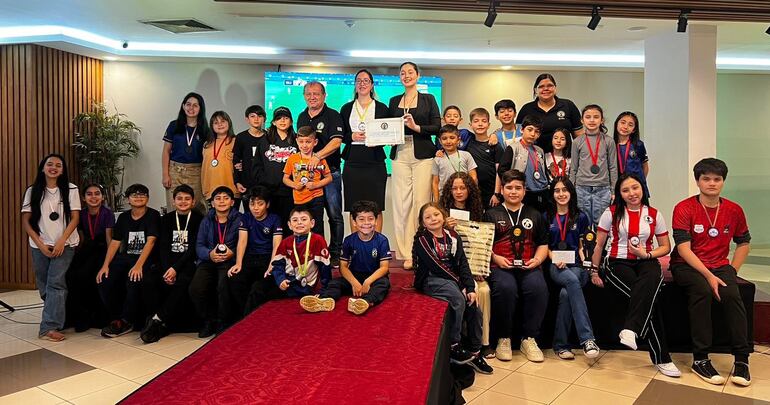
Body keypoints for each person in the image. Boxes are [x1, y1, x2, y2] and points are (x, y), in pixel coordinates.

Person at [670, 158, 752, 386]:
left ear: (723, 182)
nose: (712, 183)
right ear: (698, 181)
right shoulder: (684, 207)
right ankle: (700, 358)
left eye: (717, 179)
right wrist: (708, 276)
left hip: (720, 265)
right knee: (702, 291)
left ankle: (742, 360)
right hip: (687, 265)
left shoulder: (734, 210)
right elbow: (684, 249)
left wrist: (731, 271)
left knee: (733, 295)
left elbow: (744, 242)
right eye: (706, 179)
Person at [590, 173, 681, 377]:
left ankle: (630, 329)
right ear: (619, 194)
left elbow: (665, 247)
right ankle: (663, 359)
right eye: (625, 190)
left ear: (642, 189)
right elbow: (599, 244)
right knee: (648, 300)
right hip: (617, 262)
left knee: (649, 285)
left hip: (646, 260)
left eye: (635, 188)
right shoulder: (611, 213)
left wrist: (647, 254)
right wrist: (594, 270)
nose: (632, 193)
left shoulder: (654, 214)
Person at [412, 203, 492, 374]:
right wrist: (459, 284)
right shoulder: (422, 240)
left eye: (436, 215)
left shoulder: (454, 236)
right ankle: (454, 346)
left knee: (474, 305)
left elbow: (463, 263)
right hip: (431, 279)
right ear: (423, 223)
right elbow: (436, 266)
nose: (433, 219)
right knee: (457, 298)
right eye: (428, 217)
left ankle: (475, 351)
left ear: (443, 216)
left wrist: (469, 287)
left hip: (453, 279)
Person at [483, 170, 549, 363]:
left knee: (538, 288)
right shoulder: (491, 214)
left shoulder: (534, 214)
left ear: (524, 190)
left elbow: (543, 244)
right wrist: (495, 258)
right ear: (501, 190)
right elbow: (485, 244)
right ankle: (503, 338)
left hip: (529, 265)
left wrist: (537, 260)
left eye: (518, 188)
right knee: (506, 288)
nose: (513, 192)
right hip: (501, 266)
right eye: (509, 188)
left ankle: (529, 338)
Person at [21, 154, 81, 341]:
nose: (54, 167)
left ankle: (49, 327)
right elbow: (25, 221)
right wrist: (40, 243)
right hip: (39, 245)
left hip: (65, 244)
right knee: (44, 286)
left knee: (56, 282)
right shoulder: (32, 191)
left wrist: (62, 241)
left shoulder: (71, 189)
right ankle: (57, 316)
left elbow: (75, 218)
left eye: (58, 165)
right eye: (50, 164)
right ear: (42, 168)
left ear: (63, 170)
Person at [388, 61, 441, 269]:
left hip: (423, 155)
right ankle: (405, 252)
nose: (406, 75)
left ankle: (422, 250)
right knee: (401, 205)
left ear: (418, 75)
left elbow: (437, 127)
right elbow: (387, 127)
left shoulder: (429, 99)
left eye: (410, 72)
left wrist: (415, 126)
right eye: (403, 73)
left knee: (420, 202)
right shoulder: (393, 101)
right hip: (399, 153)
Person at [300, 200, 391, 315]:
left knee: (383, 285)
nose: (366, 223)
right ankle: (324, 300)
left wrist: (368, 282)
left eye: (370, 219)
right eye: (361, 219)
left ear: (376, 221)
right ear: (354, 222)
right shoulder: (349, 240)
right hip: (355, 275)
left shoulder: (382, 240)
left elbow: (384, 268)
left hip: (374, 277)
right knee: (335, 283)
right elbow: (343, 267)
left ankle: (365, 302)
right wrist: (354, 282)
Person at [139, 184, 203, 344]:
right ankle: (158, 322)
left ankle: (157, 318)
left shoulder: (199, 219)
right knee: (149, 280)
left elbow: (194, 248)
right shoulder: (166, 219)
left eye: (187, 199)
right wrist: (168, 268)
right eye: (179, 198)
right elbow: (163, 246)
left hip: (188, 262)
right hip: (167, 263)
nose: (183, 202)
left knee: (183, 281)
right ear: (173, 201)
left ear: (193, 201)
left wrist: (175, 269)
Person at [544, 177, 599, 360]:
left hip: (576, 265)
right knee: (571, 282)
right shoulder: (546, 216)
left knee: (567, 293)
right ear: (552, 194)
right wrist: (555, 259)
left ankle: (560, 345)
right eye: (557, 191)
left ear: (571, 193)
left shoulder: (581, 216)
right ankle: (588, 339)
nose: (561, 194)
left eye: (565, 190)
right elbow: (546, 247)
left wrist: (588, 266)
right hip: (555, 265)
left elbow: (584, 246)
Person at [96, 184, 160, 338]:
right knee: (104, 279)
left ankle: (127, 321)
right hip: (125, 257)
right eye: (134, 195)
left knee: (133, 279)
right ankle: (115, 318)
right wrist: (105, 266)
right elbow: (115, 242)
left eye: (142, 194)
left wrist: (139, 265)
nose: (138, 197)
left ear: (148, 198)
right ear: (128, 199)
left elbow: (151, 241)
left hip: (146, 258)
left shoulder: (153, 215)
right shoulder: (124, 217)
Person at [297, 81, 345, 266]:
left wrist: (317, 156)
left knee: (334, 214)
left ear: (324, 96)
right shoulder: (301, 117)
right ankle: (318, 251)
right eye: (308, 94)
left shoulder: (333, 115)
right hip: (308, 178)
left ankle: (335, 253)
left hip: (330, 174)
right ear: (304, 96)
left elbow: (336, 142)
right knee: (314, 217)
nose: (312, 97)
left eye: (316, 93)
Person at [339, 69, 390, 233]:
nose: (362, 83)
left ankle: (378, 245)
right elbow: (341, 134)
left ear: (372, 85)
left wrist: (377, 139)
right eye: (359, 80)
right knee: (353, 207)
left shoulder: (382, 108)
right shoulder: (346, 108)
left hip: (374, 163)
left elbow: (388, 134)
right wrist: (351, 135)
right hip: (352, 162)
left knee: (376, 206)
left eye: (366, 80)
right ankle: (354, 247)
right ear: (355, 85)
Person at [189, 186, 242, 338]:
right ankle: (209, 320)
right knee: (196, 288)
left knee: (222, 286)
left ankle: (223, 322)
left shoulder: (240, 219)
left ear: (232, 202)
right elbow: (199, 245)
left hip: (229, 260)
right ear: (212, 203)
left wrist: (232, 252)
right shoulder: (206, 220)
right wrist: (210, 254)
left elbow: (244, 242)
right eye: (217, 198)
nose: (222, 201)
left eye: (226, 198)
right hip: (209, 260)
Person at [227, 186, 283, 316]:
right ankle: (245, 316)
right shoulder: (246, 218)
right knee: (234, 280)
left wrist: (272, 265)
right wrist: (238, 263)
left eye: (260, 204)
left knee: (258, 287)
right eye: (252, 204)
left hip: (268, 258)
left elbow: (277, 245)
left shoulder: (275, 219)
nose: (255, 208)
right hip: (250, 259)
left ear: (267, 204)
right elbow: (242, 242)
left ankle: (249, 319)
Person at [66, 183, 114, 332]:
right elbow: (80, 238)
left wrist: (108, 262)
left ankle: (96, 318)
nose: (94, 197)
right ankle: (77, 316)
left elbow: (109, 239)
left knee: (92, 275)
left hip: (102, 249)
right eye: (89, 194)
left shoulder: (107, 213)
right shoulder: (81, 214)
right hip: (86, 248)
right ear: (83, 198)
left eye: (97, 193)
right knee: (71, 275)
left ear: (102, 197)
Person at [570, 104, 617, 226]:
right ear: (582, 120)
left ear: (602, 120)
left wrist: (613, 190)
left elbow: (612, 167)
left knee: (602, 224)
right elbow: (573, 168)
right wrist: (571, 190)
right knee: (583, 223)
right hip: (581, 188)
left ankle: (600, 246)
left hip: (602, 188)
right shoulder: (577, 141)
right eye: (588, 117)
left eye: (596, 117)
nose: (592, 120)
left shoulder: (609, 141)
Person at [252, 106, 297, 233]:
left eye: (286, 118)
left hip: (290, 192)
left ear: (291, 122)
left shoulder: (297, 141)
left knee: (288, 225)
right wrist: (266, 182)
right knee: (270, 227)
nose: (282, 121)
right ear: (273, 122)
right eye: (279, 118)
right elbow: (257, 166)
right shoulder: (265, 140)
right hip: (269, 192)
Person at [162, 92, 208, 214]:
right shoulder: (174, 125)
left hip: (196, 172)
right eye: (188, 104)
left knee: (198, 206)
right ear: (183, 106)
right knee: (175, 205)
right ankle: (174, 232)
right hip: (175, 170)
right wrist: (165, 174)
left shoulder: (205, 129)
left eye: (195, 105)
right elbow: (166, 151)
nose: (191, 108)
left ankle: (197, 233)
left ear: (200, 109)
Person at [270, 207, 332, 297]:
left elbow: (325, 268)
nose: (299, 222)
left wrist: (324, 291)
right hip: (287, 283)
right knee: (259, 287)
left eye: (304, 219)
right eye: (295, 220)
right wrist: (280, 279)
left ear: (312, 223)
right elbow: (277, 265)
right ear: (289, 225)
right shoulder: (285, 242)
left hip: (307, 286)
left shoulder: (318, 240)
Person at [282, 126, 333, 236]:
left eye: (308, 142)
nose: (304, 145)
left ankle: (318, 252)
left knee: (317, 227)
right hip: (299, 199)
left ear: (315, 142)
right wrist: (295, 185)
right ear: (296, 141)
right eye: (301, 142)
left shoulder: (319, 159)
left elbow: (329, 178)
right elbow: (285, 178)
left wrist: (316, 185)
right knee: (301, 228)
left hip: (316, 198)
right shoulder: (292, 158)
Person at [516, 73, 583, 153]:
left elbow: (579, 135)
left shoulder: (568, 105)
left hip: (565, 158)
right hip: (534, 157)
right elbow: (517, 135)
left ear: (555, 88)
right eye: (541, 87)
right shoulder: (527, 109)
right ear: (535, 90)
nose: (546, 89)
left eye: (550, 86)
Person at [499, 115, 549, 212]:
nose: (533, 134)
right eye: (530, 130)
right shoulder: (513, 148)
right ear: (522, 130)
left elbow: (544, 171)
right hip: (524, 193)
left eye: (536, 131)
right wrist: (514, 183)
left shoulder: (539, 150)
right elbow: (502, 170)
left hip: (541, 192)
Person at [465, 107, 504, 208]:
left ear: (489, 124)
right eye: (476, 121)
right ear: (470, 125)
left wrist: (497, 193)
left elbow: (499, 171)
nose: (480, 124)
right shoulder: (467, 143)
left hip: (491, 192)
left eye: (484, 121)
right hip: (473, 192)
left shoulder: (495, 145)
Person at [201, 111, 240, 210]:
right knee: (214, 222)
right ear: (211, 126)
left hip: (232, 190)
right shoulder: (207, 144)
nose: (220, 124)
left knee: (231, 221)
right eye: (216, 122)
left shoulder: (237, 141)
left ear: (229, 123)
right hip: (212, 190)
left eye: (223, 121)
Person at [432, 124, 478, 201]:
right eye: (444, 138)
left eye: (452, 138)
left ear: (458, 140)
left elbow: (473, 176)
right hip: (445, 196)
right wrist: (436, 201)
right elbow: (435, 182)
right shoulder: (437, 159)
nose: (448, 141)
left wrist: (472, 193)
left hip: (464, 194)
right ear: (440, 141)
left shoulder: (466, 155)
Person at [233, 105, 267, 205]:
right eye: (252, 116)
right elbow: (236, 161)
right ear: (247, 119)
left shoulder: (269, 137)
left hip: (265, 184)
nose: (256, 119)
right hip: (247, 184)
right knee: (249, 214)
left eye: (259, 116)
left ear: (264, 119)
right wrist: (237, 182)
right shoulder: (241, 137)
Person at [613, 111, 650, 198]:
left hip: (636, 187)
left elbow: (645, 167)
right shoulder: (610, 144)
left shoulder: (638, 145)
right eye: (623, 123)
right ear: (616, 124)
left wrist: (638, 183)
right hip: (619, 187)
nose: (625, 127)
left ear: (634, 129)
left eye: (630, 125)